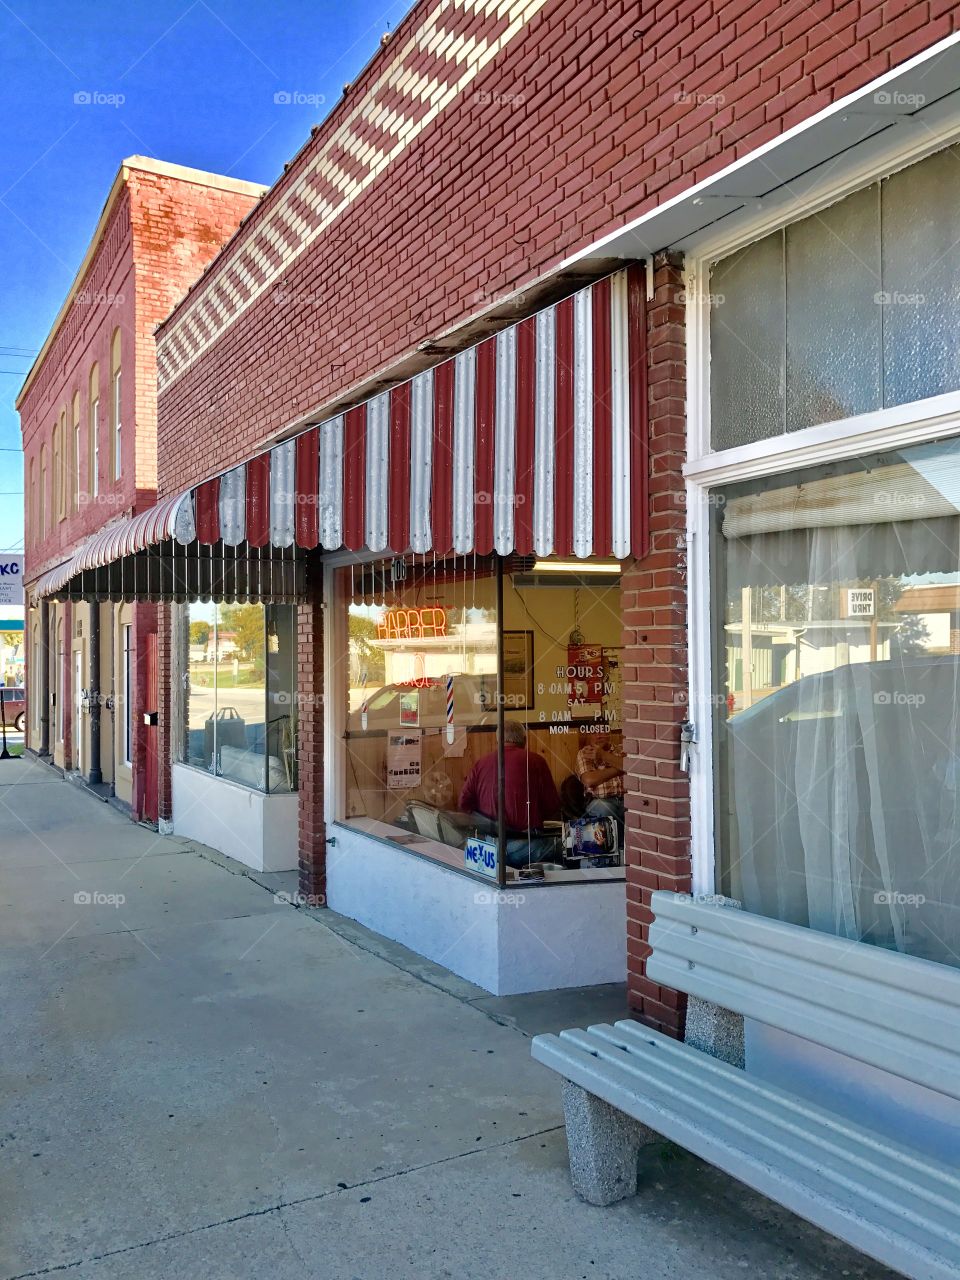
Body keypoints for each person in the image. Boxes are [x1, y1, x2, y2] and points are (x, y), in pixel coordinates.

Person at [459, 721, 561, 868]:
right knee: (565, 847)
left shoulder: (480, 764)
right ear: (524, 741)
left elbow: (464, 804)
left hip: (488, 849)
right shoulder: (537, 762)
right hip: (528, 847)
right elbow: (552, 806)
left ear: (498, 741)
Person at [575, 729, 625, 842]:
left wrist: (604, 755)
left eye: (602, 731)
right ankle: (619, 848)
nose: (598, 736)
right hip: (599, 800)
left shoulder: (621, 749)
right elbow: (589, 780)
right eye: (594, 732)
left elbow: (634, 765)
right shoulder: (584, 753)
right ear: (589, 735)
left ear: (609, 733)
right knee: (605, 808)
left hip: (627, 799)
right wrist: (621, 769)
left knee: (640, 808)